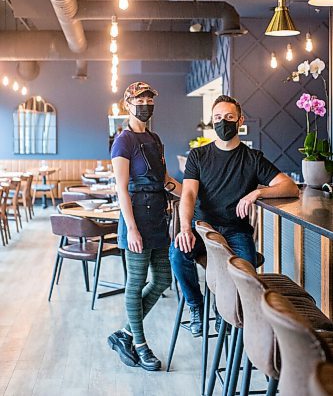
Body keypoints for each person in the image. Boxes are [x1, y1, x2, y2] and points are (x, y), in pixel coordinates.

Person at [169, 95, 299, 337]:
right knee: (177, 255)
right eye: (218, 118)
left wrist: (257, 193)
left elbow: (289, 187)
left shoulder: (252, 159)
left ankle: (224, 313)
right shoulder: (198, 156)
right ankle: (196, 307)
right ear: (212, 121)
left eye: (229, 117)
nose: (223, 122)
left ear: (240, 120)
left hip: (236, 231)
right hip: (203, 230)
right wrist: (185, 228)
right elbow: (187, 194)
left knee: (245, 273)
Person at [108, 81, 182, 371]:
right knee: (136, 283)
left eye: (150, 98)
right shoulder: (123, 141)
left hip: (158, 220)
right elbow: (121, 189)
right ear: (127, 104)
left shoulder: (155, 137)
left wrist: (191, 193)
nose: (146, 103)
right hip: (135, 219)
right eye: (140, 99)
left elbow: (164, 180)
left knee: (163, 279)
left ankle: (125, 333)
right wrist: (132, 229)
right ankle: (139, 343)